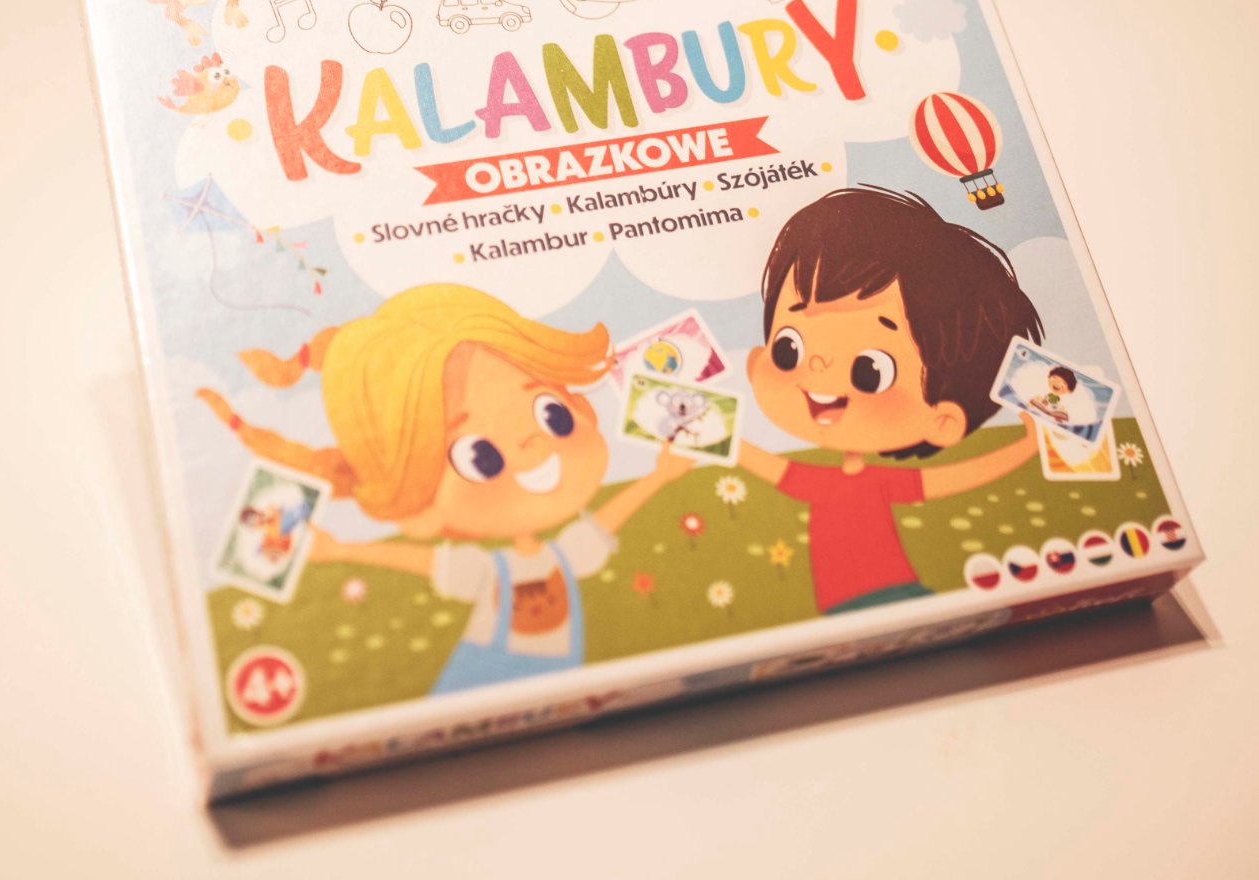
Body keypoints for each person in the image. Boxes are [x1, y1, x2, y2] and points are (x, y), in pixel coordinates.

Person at [199, 284, 689, 693]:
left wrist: (659, 477)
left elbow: (602, 524)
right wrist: (342, 550)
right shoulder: (488, 570)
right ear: (418, 503)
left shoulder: (563, 555)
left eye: (553, 414)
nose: (534, 445)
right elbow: (425, 562)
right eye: (480, 457)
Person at [736, 187, 1041, 616]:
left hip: (896, 599)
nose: (819, 366)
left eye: (870, 371)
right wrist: (699, 426)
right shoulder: (822, 482)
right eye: (788, 348)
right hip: (843, 611)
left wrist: (1029, 447)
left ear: (943, 420)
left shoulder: (876, 484)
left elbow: (960, 477)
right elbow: (756, 461)